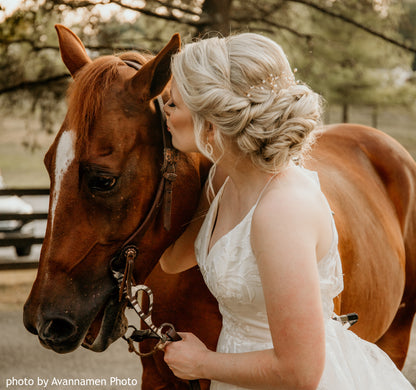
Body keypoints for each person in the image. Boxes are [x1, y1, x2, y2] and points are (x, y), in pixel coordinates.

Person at [160, 33, 414, 390]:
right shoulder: (221, 178)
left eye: (175, 103)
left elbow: (301, 371)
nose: (165, 108)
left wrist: (203, 363)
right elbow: (172, 260)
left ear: (212, 121)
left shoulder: (281, 211)